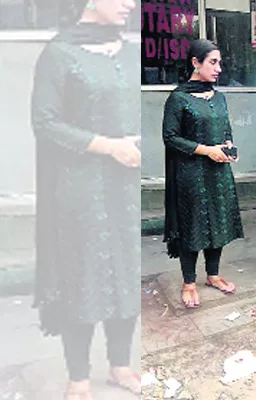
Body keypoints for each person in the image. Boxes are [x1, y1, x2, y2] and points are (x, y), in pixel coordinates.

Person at [30, 1, 140, 399]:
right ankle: (78, 376)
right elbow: (44, 122)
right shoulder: (60, 53)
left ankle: (120, 365)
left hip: (124, 186)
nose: (131, 4)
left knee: (125, 272)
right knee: (83, 275)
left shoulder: (127, 50)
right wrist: (107, 145)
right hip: (78, 187)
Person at [162, 40, 244, 308]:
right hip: (190, 174)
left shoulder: (218, 97)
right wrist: (206, 150)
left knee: (218, 222)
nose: (218, 68)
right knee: (193, 225)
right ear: (195, 63)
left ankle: (213, 275)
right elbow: (170, 137)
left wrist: (228, 147)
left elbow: (226, 129)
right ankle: (188, 282)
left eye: (220, 63)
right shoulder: (178, 99)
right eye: (213, 62)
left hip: (217, 171)